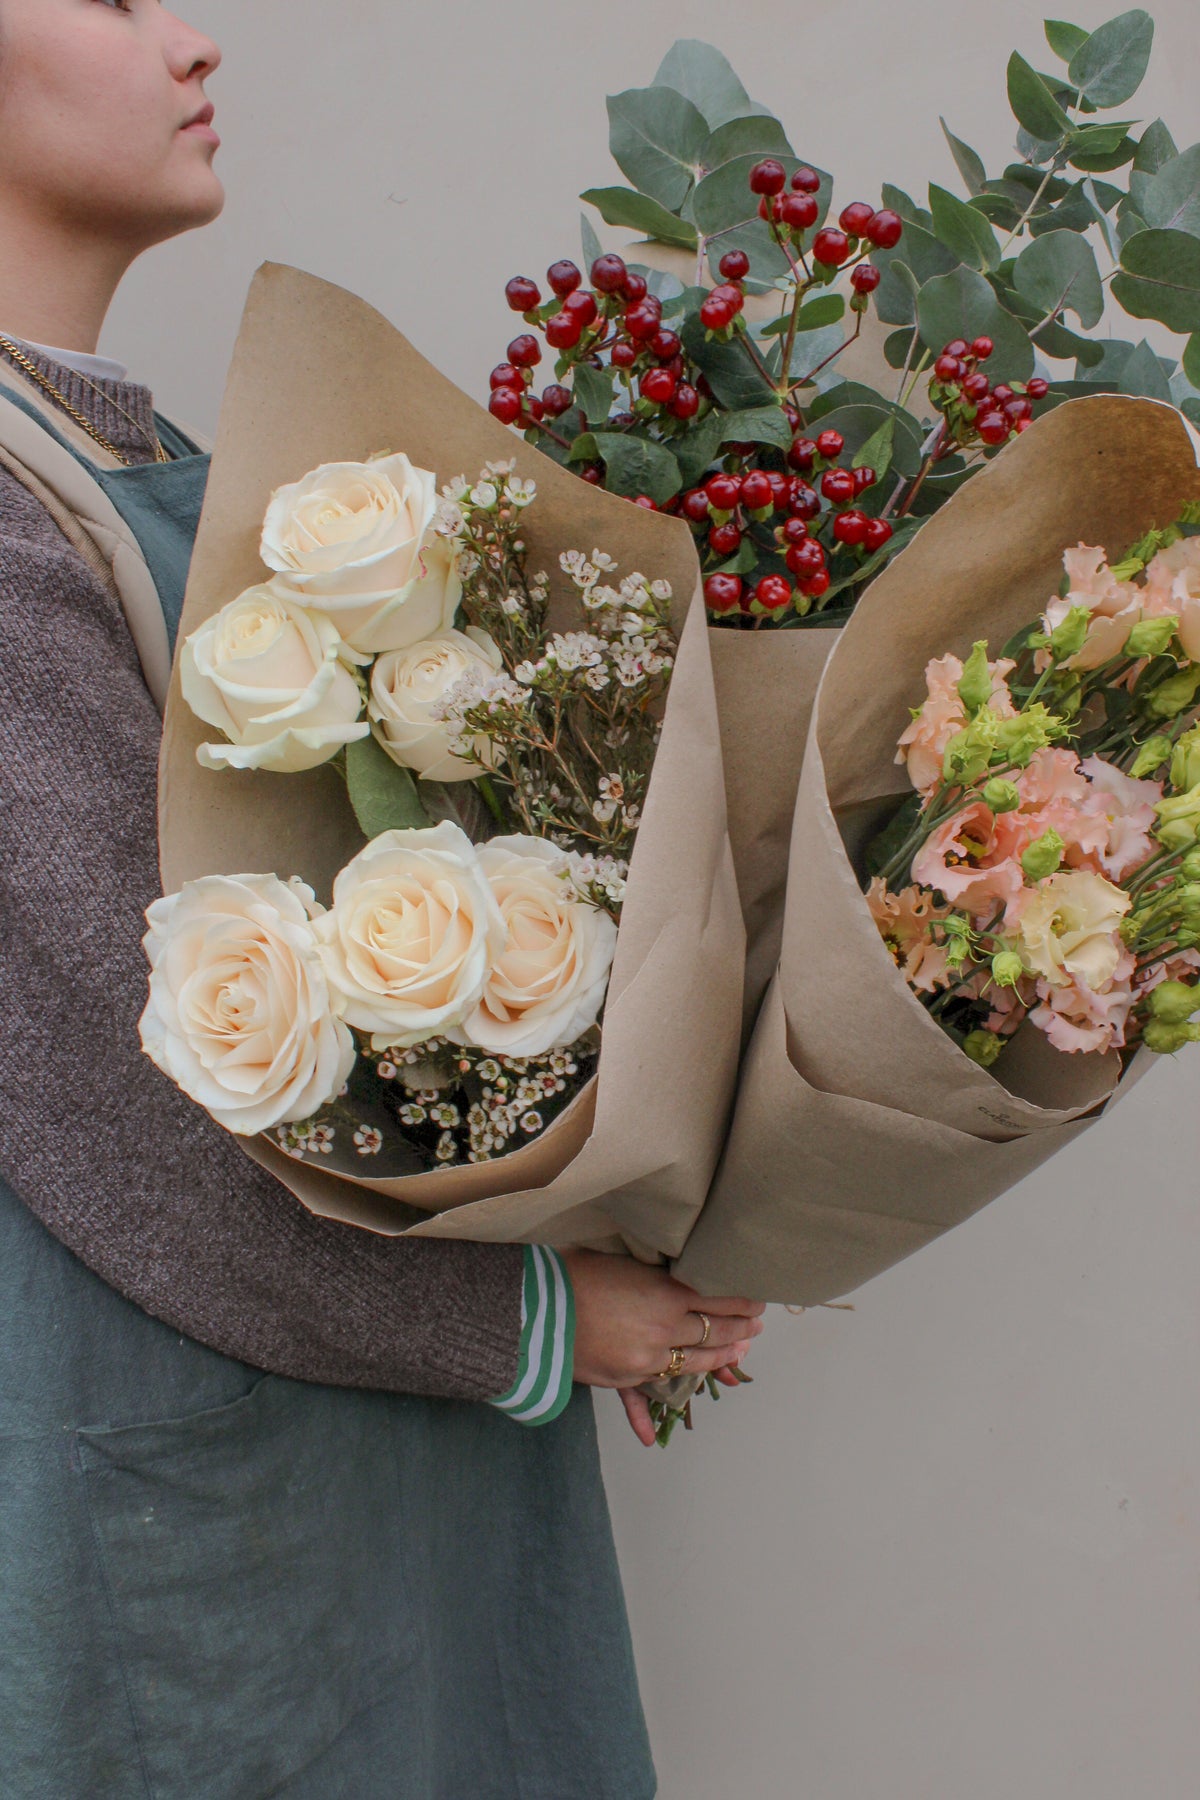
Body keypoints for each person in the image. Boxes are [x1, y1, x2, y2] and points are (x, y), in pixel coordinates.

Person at [0, 4, 767, 1796]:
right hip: (219, 1506)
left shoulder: (108, 450)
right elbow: (115, 1101)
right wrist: (524, 1319)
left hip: (322, 1448)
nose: (190, 42)